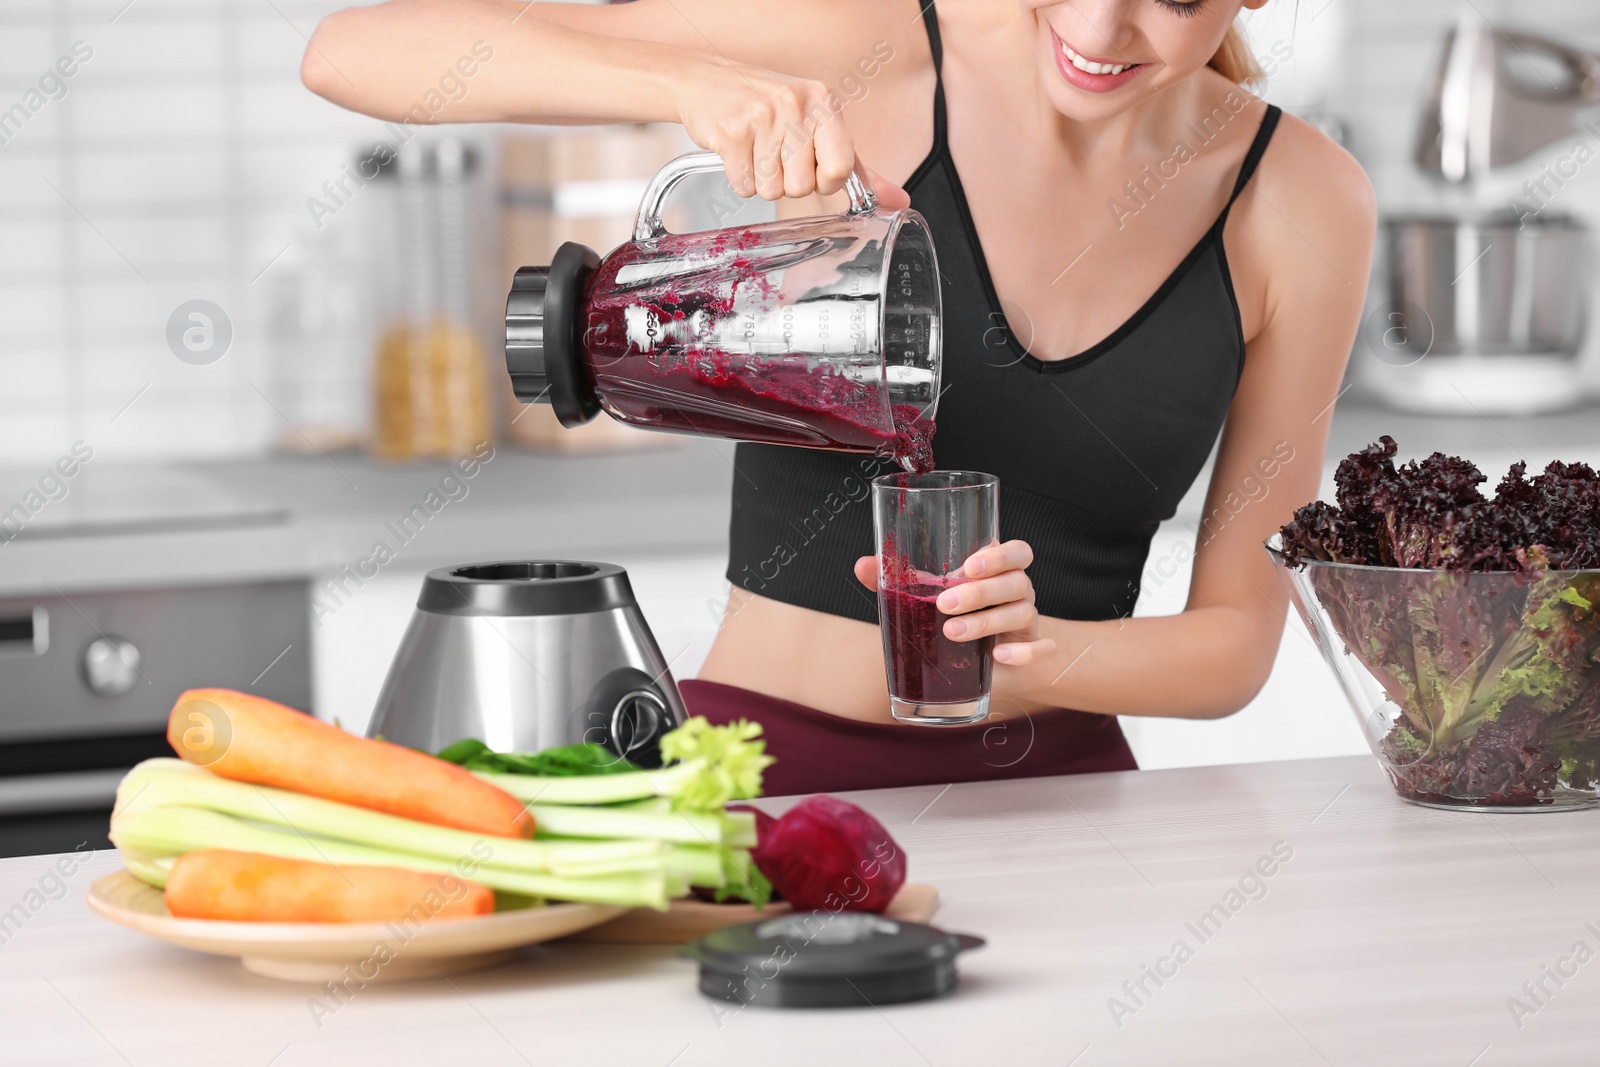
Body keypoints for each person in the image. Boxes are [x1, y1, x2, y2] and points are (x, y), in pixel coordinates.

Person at [304, 0, 1374, 794]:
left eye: (1174, 0)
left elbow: (1236, 638)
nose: (1101, 26)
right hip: (757, 778)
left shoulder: (1303, 203)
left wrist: (1043, 646)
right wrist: (688, 83)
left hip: (1067, 800)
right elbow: (353, 52)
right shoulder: (881, 44)